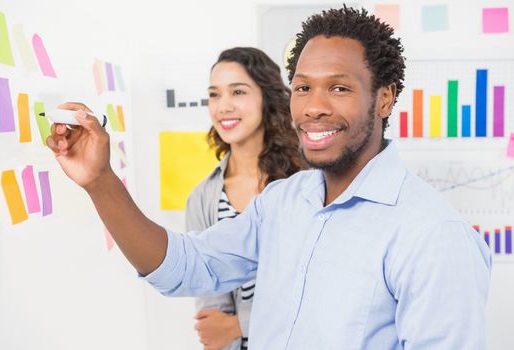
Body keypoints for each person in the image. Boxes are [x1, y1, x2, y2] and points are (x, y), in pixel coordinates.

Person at [47, 6, 491, 349]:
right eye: (302, 87)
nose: (313, 106)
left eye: (339, 87)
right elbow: (185, 267)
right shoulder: (282, 203)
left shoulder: (433, 236)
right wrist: (99, 181)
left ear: (384, 99)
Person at [186, 47, 304, 350]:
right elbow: (212, 319)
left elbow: (320, 286)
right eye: (214, 94)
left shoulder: (306, 181)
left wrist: (240, 323)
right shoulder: (203, 198)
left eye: (237, 92)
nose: (223, 106)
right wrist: (228, 328)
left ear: (267, 97)